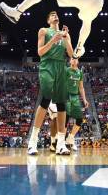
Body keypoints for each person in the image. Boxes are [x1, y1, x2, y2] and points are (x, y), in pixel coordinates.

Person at [26, 11, 74, 155]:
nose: (55, 15)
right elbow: (40, 52)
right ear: (48, 20)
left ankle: (60, 144)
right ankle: (32, 141)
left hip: (61, 66)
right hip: (47, 65)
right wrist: (53, 39)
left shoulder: (65, 33)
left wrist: (65, 38)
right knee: (46, 98)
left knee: (61, 104)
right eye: (52, 15)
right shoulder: (44, 31)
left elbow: (72, 55)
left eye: (56, 14)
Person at [66, 56, 89, 150]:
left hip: (75, 97)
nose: (73, 60)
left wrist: (84, 100)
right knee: (65, 119)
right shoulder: (66, 70)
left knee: (79, 119)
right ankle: (62, 142)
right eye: (72, 58)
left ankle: (70, 138)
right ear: (69, 61)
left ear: (78, 61)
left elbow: (81, 88)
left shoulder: (80, 72)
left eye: (75, 58)